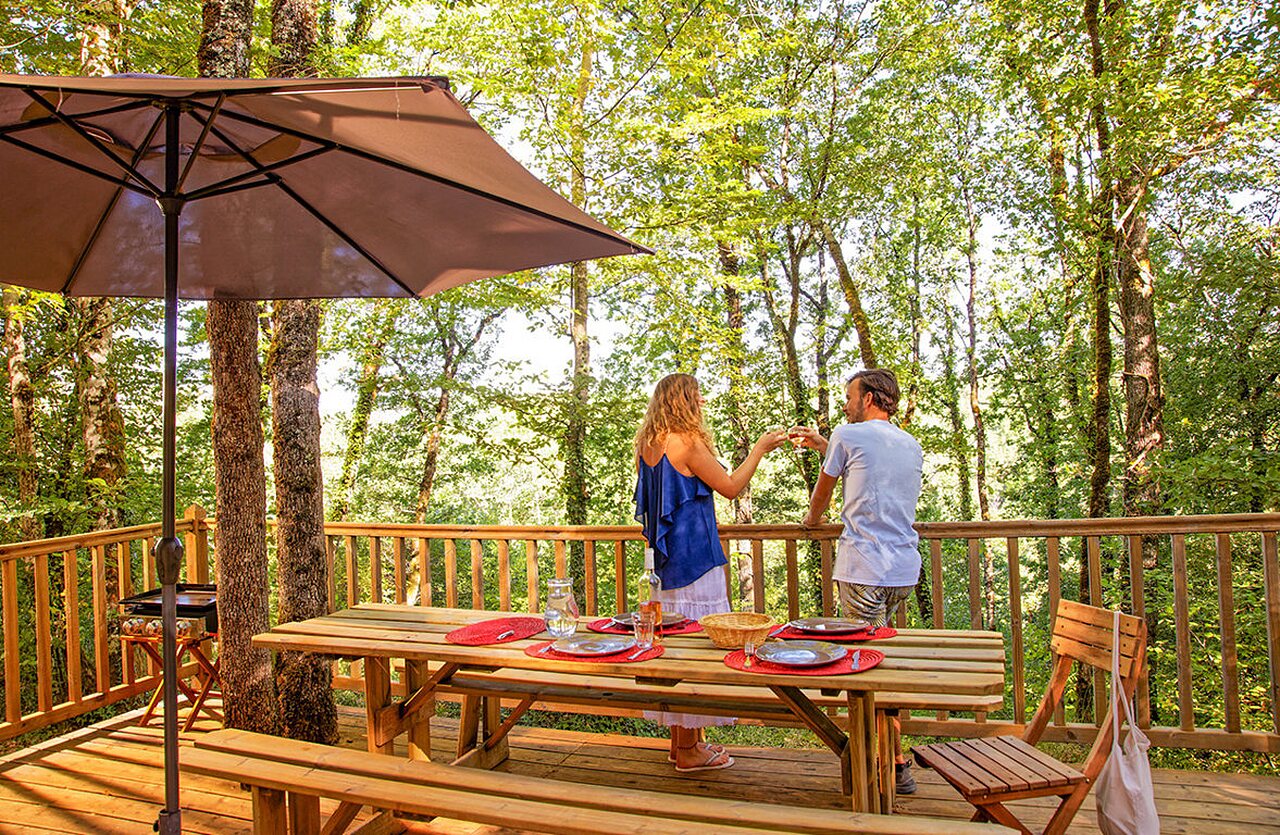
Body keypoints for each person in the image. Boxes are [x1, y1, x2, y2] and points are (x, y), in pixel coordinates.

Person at [634, 373, 787, 773]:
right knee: (697, 651)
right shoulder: (687, 442)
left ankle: (684, 743)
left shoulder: (648, 444)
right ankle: (688, 752)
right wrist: (760, 448)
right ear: (683, 400)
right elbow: (731, 486)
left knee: (675, 649)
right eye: (696, 395)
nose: (702, 401)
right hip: (695, 558)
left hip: (665, 564)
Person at [792, 367, 923, 793]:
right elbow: (869, 469)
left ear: (868, 398)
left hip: (865, 567)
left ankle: (890, 764)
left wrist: (811, 522)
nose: (847, 405)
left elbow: (826, 489)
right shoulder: (908, 443)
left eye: (850, 397)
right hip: (902, 570)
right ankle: (888, 758)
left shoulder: (850, 435)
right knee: (883, 657)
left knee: (865, 669)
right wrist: (821, 444)